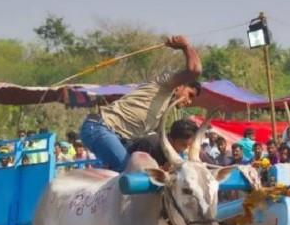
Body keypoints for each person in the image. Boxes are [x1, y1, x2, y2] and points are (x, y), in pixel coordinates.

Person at [80, 35, 201, 172]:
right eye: (190, 95)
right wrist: (186, 47)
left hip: (120, 139)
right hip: (99, 128)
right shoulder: (164, 85)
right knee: (131, 170)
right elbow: (195, 70)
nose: (189, 101)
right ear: (180, 86)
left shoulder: (161, 110)